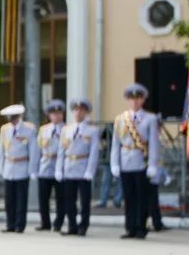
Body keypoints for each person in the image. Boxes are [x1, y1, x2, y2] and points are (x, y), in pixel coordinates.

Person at [111, 83, 160, 239]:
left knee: (142, 197)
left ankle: (140, 227)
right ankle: (130, 227)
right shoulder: (120, 119)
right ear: (127, 100)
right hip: (125, 161)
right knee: (129, 197)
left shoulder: (150, 118)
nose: (134, 102)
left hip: (141, 161)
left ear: (143, 100)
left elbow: (153, 144)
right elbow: (115, 144)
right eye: (131, 99)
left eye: (138, 98)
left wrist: (153, 164)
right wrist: (114, 163)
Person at [56, 98, 100, 236]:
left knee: (84, 200)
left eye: (81, 110)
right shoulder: (66, 130)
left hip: (83, 167)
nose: (78, 112)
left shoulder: (92, 130)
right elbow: (61, 151)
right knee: (69, 199)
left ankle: (83, 225)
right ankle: (72, 225)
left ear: (85, 112)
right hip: (69, 167)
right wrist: (59, 168)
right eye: (75, 110)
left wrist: (90, 170)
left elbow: (94, 152)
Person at [0, 104, 36, 233]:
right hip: (9, 167)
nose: (12, 120)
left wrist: (32, 169)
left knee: (21, 199)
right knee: (9, 199)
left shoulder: (29, 129)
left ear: (19, 117)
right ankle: (10, 224)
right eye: (10, 118)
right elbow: (1, 150)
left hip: (22, 167)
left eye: (14, 118)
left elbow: (33, 151)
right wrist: (1, 166)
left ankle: (20, 225)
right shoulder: (5, 129)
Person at [35, 99, 66, 231]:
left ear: (62, 115)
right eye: (53, 114)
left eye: (59, 113)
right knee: (43, 197)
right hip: (45, 165)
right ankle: (45, 222)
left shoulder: (67, 129)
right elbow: (38, 149)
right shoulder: (43, 130)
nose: (56, 116)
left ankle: (58, 222)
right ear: (49, 115)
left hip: (61, 166)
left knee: (61, 197)